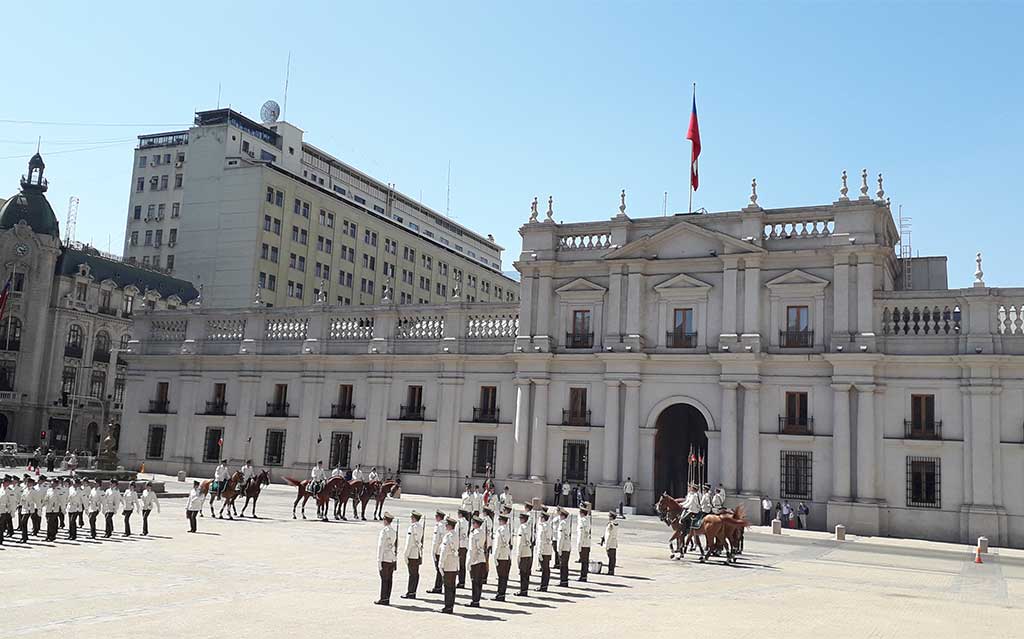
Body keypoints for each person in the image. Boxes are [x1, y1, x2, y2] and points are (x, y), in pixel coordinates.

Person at [438, 516, 460, 614]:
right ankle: (451, 606)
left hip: (448, 564)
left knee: (447, 587)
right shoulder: (456, 535)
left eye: (447, 524)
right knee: (452, 587)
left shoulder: (448, 536)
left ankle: (447, 607)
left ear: (449, 526)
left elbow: (444, 552)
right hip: (454, 564)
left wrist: (440, 564)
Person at [375, 512, 397, 605]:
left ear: (385, 520)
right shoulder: (393, 531)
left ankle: (383, 598)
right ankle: (387, 598)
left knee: (384, 579)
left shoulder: (384, 531)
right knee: (389, 579)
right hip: (391, 558)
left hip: (385, 558)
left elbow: (381, 547)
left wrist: (379, 561)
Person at [402, 511, 424, 600]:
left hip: (412, 553)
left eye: (411, 517)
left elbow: (409, 543)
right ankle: (413, 591)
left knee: (412, 574)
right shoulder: (420, 527)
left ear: (414, 518)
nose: (411, 519)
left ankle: (411, 592)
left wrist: (405, 554)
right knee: (415, 574)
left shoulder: (412, 528)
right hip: (417, 553)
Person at [467, 515, 486, 607]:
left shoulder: (474, 534)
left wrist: (469, 562)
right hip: (481, 558)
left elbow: (471, 550)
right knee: (479, 582)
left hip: (475, 560)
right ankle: (477, 600)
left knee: (474, 581)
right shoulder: (482, 532)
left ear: (475, 524)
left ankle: (474, 601)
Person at [492, 512, 512, 601]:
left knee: (501, 577)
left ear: (501, 521)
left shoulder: (499, 530)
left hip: (500, 556)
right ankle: (502, 594)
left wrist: (495, 557)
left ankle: (500, 594)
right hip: (507, 555)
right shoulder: (508, 530)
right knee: (504, 577)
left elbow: (497, 545)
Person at [427, 510, 446, 595]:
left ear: (438, 517)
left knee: (438, 569)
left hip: (438, 550)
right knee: (441, 569)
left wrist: (433, 551)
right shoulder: (445, 525)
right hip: (443, 549)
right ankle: (438, 586)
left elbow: (436, 541)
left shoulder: (438, 526)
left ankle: (438, 587)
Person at [514, 512, 533, 596]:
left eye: (520, 518)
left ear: (523, 519)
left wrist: (518, 554)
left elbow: (519, 543)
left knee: (523, 573)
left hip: (523, 552)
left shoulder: (521, 528)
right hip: (528, 551)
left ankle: (523, 590)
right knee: (526, 573)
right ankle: (525, 590)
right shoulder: (529, 527)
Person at [537, 509, 553, 591]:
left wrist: (539, 553)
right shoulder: (549, 526)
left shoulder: (542, 528)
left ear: (543, 518)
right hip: (548, 550)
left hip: (543, 551)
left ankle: (543, 586)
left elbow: (541, 541)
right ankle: (544, 585)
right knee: (546, 569)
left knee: (544, 569)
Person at [576, 504, 592, 582]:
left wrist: (579, 545)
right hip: (587, 543)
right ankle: (584, 576)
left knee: (584, 561)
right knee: (585, 561)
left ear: (582, 513)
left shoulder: (582, 522)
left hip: (583, 544)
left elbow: (581, 535)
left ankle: (583, 576)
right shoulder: (587, 520)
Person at [556, 508, 572, 587]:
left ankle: (563, 581)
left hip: (563, 547)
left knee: (563, 565)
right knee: (565, 565)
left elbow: (560, 538)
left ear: (562, 516)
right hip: (567, 546)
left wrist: (559, 549)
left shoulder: (562, 524)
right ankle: (564, 581)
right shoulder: (567, 523)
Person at [456, 509, 470, 588]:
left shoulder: (459, 522)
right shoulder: (466, 522)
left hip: (459, 545)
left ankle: (460, 581)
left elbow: (456, 534)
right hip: (465, 545)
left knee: (459, 564)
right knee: (462, 565)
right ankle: (462, 581)